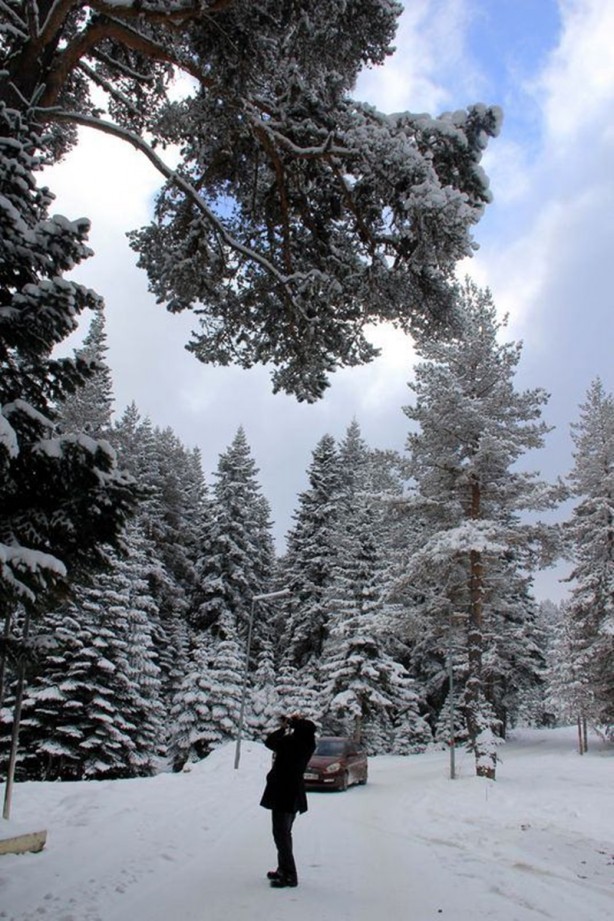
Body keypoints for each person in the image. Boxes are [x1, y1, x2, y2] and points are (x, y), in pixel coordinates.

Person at [260, 713, 317, 888]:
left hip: (282, 794)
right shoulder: (308, 744)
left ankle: (290, 875)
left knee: (281, 835)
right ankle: (283, 869)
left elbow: (269, 741)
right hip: (294, 794)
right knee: (285, 833)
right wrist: (295, 726)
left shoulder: (289, 743)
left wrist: (284, 727)